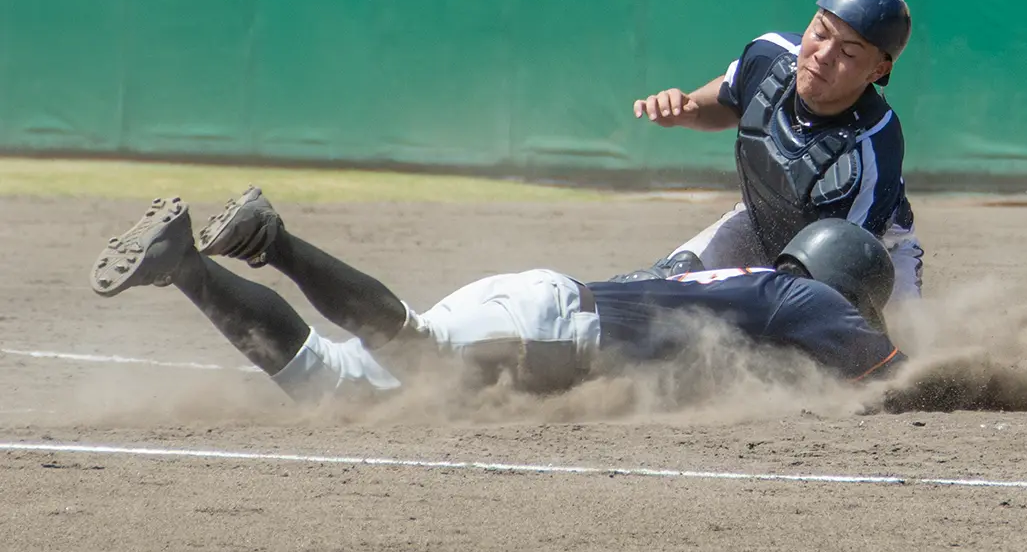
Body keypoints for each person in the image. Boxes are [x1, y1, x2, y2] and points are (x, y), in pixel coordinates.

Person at [87, 187, 904, 403]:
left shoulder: (741, 288)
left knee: (333, 383)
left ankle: (185, 270)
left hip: (544, 303)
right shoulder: (803, 302)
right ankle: (275, 242)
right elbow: (894, 375)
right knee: (415, 350)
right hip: (556, 330)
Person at [632, 0, 923, 304]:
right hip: (762, 223)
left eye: (849, 52)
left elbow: (850, 263)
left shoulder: (874, 140)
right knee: (671, 279)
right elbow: (729, 100)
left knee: (854, 339)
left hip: (869, 260)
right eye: (820, 32)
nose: (823, 55)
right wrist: (689, 109)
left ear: (877, 71)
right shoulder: (771, 57)